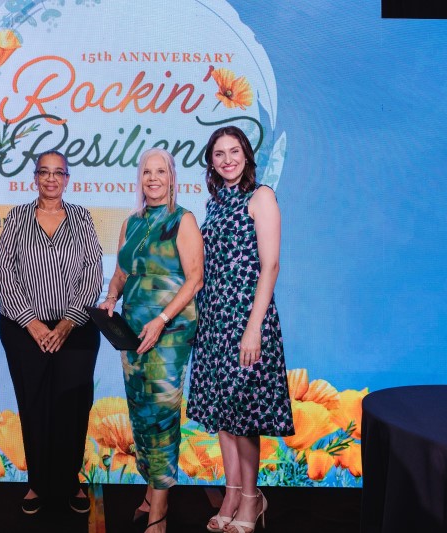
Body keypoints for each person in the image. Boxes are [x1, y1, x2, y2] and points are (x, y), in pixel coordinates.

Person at [186, 126, 294, 533]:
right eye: (219, 153)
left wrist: (253, 330)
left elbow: (270, 267)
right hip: (215, 322)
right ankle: (231, 492)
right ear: (211, 162)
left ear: (247, 156)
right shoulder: (215, 204)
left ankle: (252, 496)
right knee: (223, 414)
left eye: (234, 151)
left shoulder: (260, 197)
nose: (227, 158)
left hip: (248, 321)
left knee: (245, 415)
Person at [100, 148, 203, 533]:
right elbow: (121, 273)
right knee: (141, 415)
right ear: (140, 179)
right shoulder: (132, 223)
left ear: (173, 177)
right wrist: (111, 297)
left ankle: (158, 512)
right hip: (132, 333)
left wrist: (161, 319)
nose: (154, 178)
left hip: (169, 334)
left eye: (161, 172)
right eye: (147, 172)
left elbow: (195, 279)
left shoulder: (183, 220)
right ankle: (150, 490)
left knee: (161, 417)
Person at [0, 150, 103, 515]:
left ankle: (70, 481)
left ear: (68, 178)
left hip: (77, 331)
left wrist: (68, 323)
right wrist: (35, 324)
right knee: (35, 405)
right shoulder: (17, 217)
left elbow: (93, 272)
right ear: (35, 177)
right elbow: (5, 272)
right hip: (24, 330)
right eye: (45, 172)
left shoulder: (82, 218)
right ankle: (38, 484)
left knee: (73, 408)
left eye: (59, 173)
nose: (51, 179)